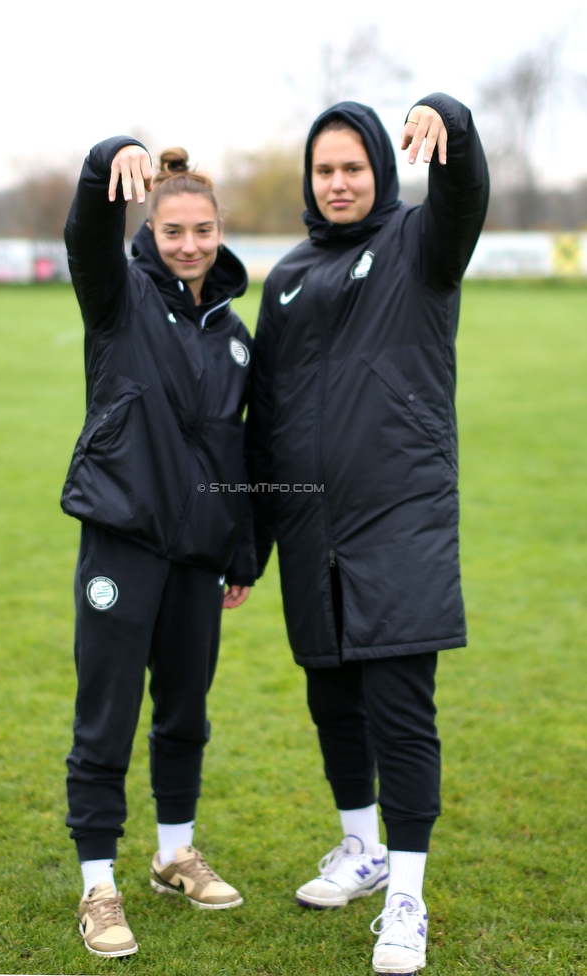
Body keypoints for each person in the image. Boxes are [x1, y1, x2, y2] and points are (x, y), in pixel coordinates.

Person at [246, 94, 488, 973]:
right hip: (314, 530)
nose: (339, 182)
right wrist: (253, 539)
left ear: (382, 168)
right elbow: (264, 418)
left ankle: (408, 896)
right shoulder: (286, 278)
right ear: (310, 181)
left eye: (353, 167)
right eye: (325, 170)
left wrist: (450, 124)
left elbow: (466, 193)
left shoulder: (421, 245)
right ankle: (362, 849)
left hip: (401, 521)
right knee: (331, 700)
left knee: (399, 708)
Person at [62, 136, 256, 957]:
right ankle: (98, 885)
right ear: (151, 228)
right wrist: (111, 157)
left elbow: (236, 445)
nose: (189, 245)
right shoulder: (118, 295)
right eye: (174, 230)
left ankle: (174, 852)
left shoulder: (235, 332)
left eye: (203, 230)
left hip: (198, 552)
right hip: (124, 536)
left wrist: (241, 548)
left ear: (219, 230)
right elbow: (85, 235)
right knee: (107, 713)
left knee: (185, 709)